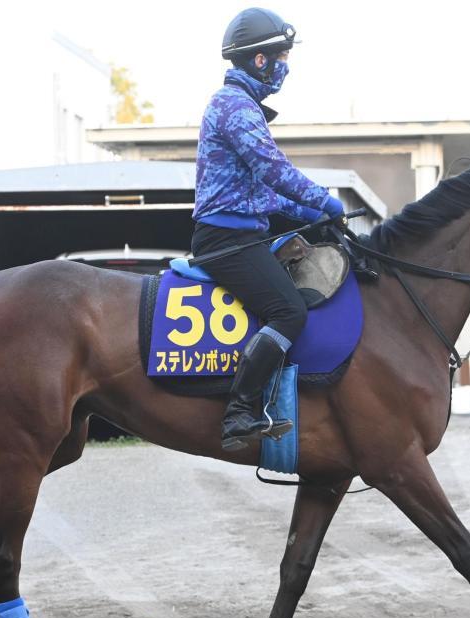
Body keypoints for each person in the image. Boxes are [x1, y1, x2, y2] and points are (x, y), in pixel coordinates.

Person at [192, 7, 345, 452]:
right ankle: (240, 411)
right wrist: (322, 200)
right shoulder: (235, 107)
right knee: (289, 312)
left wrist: (308, 214)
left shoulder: (242, 105)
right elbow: (275, 170)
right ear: (259, 60)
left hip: (242, 232)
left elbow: (264, 195)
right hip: (226, 240)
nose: (285, 65)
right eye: (281, 55)